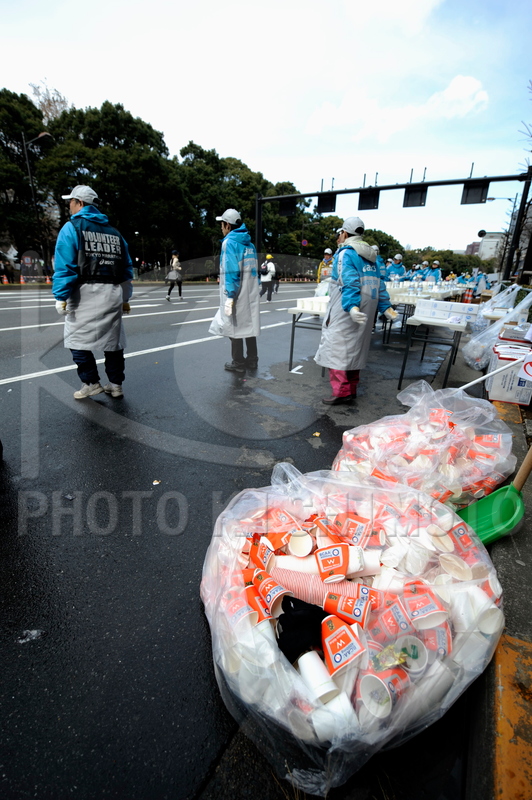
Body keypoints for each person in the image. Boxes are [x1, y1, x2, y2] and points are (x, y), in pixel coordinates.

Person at [53, 185, 133, 399]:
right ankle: (116, 384)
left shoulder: (72, 228)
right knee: (113, 341)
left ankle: (90, 382)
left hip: (83, 293)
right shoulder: (115, 233)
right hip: (112, 292)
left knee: (76, 339)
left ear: (79, 203)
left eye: (71, 202)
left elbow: (65, 266)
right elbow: (126, 269)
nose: (69, 206)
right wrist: (126, 297)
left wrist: (60, 296)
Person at [315, 216, 397, 404]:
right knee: (355, 350)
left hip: (346, 309)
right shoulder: (372, 257)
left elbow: (349, 282)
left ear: (344, 233)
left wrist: (351, 307)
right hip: (366, 311)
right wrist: (386, 306)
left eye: (339, 233)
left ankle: (342, 392)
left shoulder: (346, 253)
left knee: (337, 350)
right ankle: (351, 389)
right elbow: (378, 284)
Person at [209, 208, 260, 373]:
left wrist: (230, 296)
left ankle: (238, 362)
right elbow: (255, 270)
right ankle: (252, 360)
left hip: (236, 293)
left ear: (228, 225)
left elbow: (231, 272)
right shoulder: (250, 244)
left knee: (234, 326)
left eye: (222, 224)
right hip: (250, 291)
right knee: (249, 324)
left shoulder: (229, 243)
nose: (221, 228)